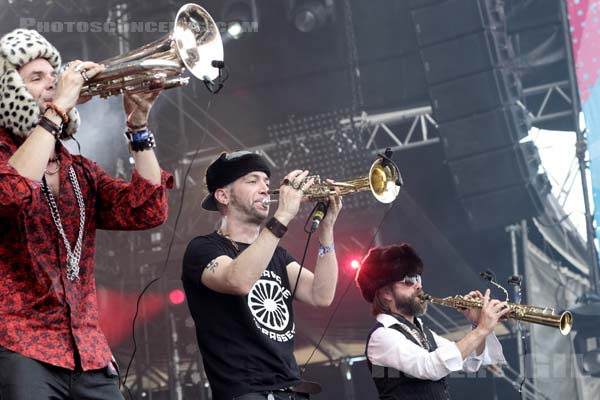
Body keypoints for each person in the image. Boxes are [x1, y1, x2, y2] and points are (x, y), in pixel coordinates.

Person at [0, 29, 173, 399]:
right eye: (36, 78)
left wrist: (138, 127)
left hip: (89, 353)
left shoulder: (79, 170)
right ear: (9, 94)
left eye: (54, 74)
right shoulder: (3, 158)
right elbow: (12, 192)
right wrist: (59, 104)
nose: (54, 82)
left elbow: (146, 211)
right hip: (19, 348)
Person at [182, 151, 342, 400]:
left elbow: (320, 295)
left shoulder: (278, 255)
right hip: (246, 392)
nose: (266, 189)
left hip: (291, 391)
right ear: (223, 196)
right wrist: (284, 215)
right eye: (252, 180)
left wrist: (327, 231)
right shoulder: (203, 249)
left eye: (267, 182)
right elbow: (238, 280)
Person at [355, 243, 511, 400]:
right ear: (386, 293)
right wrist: (482, 329)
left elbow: (469, 362)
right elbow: (430, 367)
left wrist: (477, 324)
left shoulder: (422, 332)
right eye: (408, 280)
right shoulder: (382, 336)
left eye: (417, 278)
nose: (418, 285)